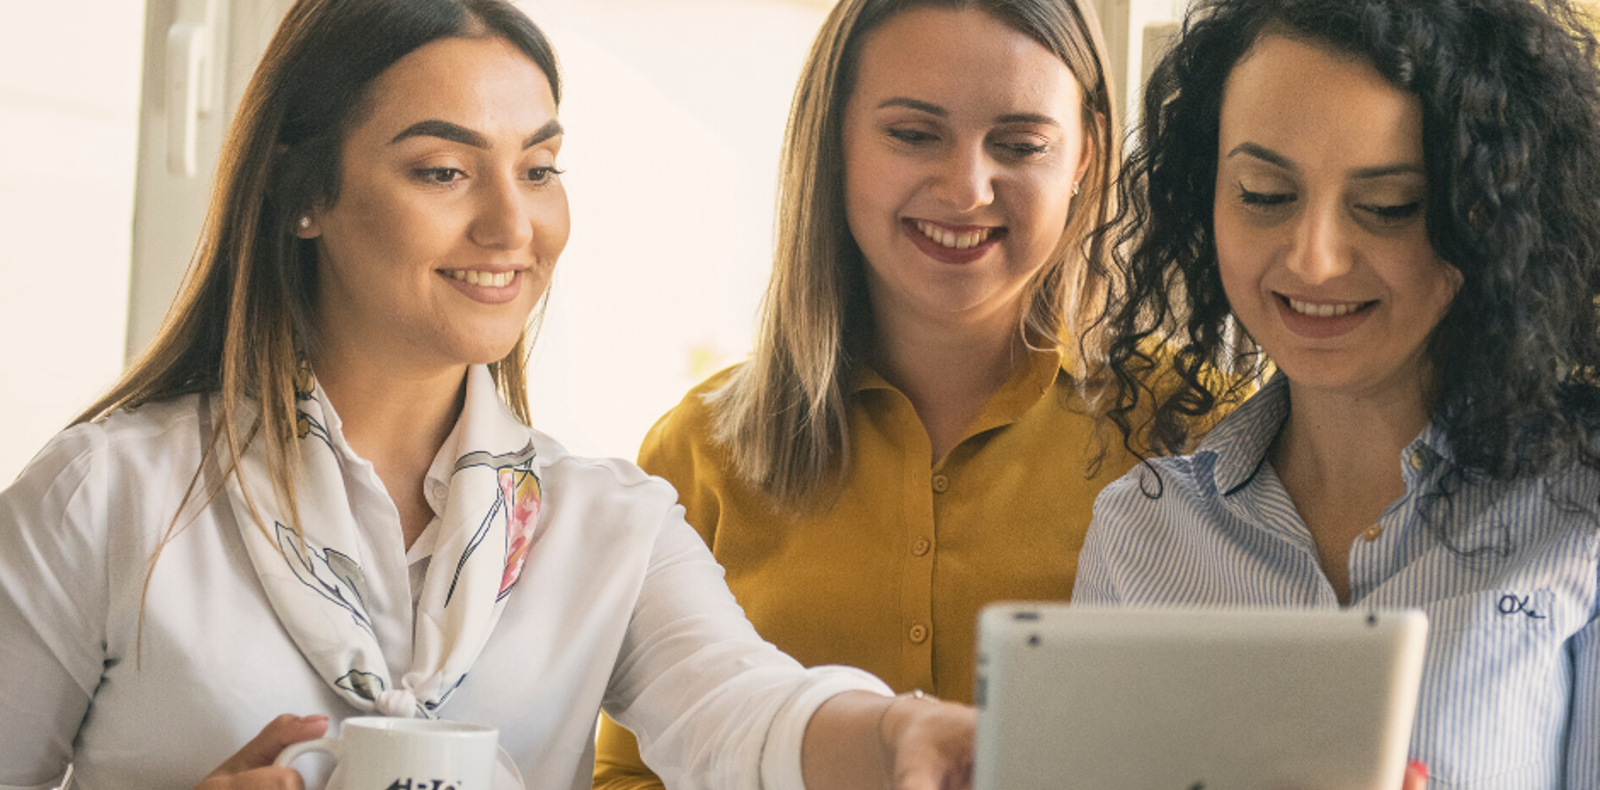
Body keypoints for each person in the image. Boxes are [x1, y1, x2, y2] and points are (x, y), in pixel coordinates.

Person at [0, 1, 978, 788]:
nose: (513, 223)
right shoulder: (107, 497)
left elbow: (748, 715)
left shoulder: (604, 526)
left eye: (541, 169)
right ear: (304, 194)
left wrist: (899, 733)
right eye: (443, 171)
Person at [594, 0, 1144, 786]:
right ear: (837, 140)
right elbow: (629, 776)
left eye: (1020, 144)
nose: (966, 189)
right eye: (914, 135)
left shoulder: (1193, 435)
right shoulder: (696, 450)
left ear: (1085, 153)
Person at [1074, 0, 1600, 786]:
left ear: (1486, 217)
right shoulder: (1139, 534)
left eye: (1388, 208)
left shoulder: (1580, 515)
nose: (1314, 261)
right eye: (1262, 193)